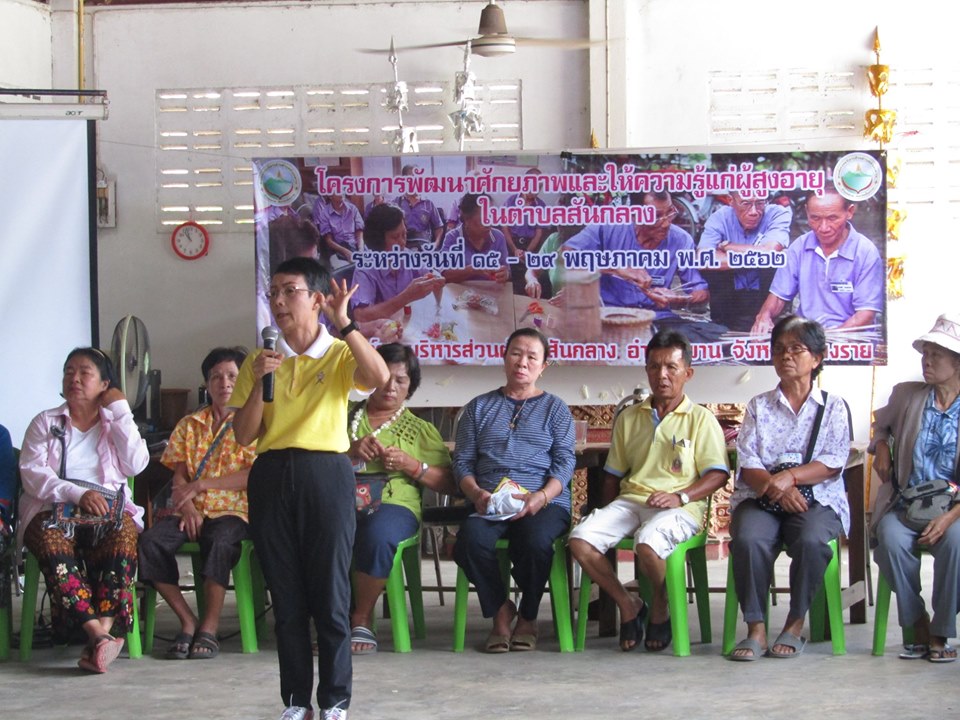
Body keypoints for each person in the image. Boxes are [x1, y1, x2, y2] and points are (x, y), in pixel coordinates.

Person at [230, 257, 389, 720]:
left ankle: (335, 700)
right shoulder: (259, 359)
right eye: (273, 293)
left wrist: (346, 323)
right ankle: (296, 701)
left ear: (317, 299)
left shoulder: (339, 353)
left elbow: (378, 377)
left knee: (330, 593)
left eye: (290, 291)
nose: (279, 301)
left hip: (326, 473)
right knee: (286, 596)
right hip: (271, 473)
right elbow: (243, 435)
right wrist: (260, 381)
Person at [569, 329, 729, 652]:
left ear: (688, 373)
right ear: (646, 371)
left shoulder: (701, 419)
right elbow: (612, 475)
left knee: (647, 541)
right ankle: (628, 604)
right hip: (631, 501)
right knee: (580, 539)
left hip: (680, 507)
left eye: (671, 367)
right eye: (654, 367)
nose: (662, 375)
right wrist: (607, 513)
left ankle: (660, 603)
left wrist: (681, 496)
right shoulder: (630, 418)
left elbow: (718, 475)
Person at [18, 347, 149, 672]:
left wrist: (121, 411)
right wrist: (77, 494)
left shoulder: (113, 423)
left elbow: (136, 464)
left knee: (124, 535)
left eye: (84, 372)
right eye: (68, 372)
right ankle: (99, 634)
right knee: (50, 541)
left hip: (107, 514)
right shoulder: (45, 422)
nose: (74, 379)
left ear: (105, 384)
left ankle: (100, 634)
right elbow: (33, 474)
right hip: (52, 511)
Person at [727, 315, 850, 660]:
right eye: (779, 349)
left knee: (812, 540)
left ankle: (795, 624)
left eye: (797, 349)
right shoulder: (759, 405)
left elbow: (834, 460)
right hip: (762, 497)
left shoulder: (833, 407)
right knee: (748, 539)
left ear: (817, 357)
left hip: (816, 499)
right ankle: (755, 628)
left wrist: (791, 477)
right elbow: (748, 460)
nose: (786, 356)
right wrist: (776, 487)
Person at [452, 328, 575, 652]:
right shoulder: (478, 407)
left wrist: (542, 496)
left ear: (543, 366)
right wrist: (476, 493)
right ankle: (501, 611)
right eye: (516, 354)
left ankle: (529, 616)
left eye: (532, 357)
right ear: (504, 357)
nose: (522, 362)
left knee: (535, 541)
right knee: (469, 541)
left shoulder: (556, 409)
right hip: (490, 501)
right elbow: (462, 462)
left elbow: (565, 463)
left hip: (544, 502)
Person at [137, 347, 256, 660]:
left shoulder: (253, 421)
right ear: (206, 383)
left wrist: (202, 485)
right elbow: (180, 476)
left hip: (235, 511)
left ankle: (209, 628)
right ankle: (187, 619)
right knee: (150, 542)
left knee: (219, 540)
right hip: (191, 510)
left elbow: (253, 475)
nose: (224, 383)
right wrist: (188, 507)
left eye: (232, 376)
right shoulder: (190, 424)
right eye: (216, 377)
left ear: (244, 380)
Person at [347, 343, 454, 654]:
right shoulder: (341, 416)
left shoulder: (419, 430)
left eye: (401, 380)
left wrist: (413, 466)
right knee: (319, 531)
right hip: (341, 499)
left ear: (411, 386)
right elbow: (313, 458)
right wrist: (349, 452)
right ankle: (329, 618)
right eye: (383, 377)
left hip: (393, 505)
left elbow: (451, 483)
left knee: (378, 533)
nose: (390, 387)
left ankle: (360, 618)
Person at [870, 313, 960, 663]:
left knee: (955, 544)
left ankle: (941, 630)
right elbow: (881, 426)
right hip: (906, 503)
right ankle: (917, 620)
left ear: (957, 362)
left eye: (937, 354)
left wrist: (949, 517)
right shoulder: (907, 395)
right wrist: (881, 446)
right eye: (926, 353)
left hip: (954, 508)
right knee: (889, 539)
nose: (927, 361)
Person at [751, 189, 884, 335]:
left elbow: (865, 314)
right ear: (807, 212)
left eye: (832, 218)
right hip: (807, 337)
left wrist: (827, 339)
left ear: (849, 212)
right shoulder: (799, 247)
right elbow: (778, 296)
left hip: (850, 339)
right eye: (815, 218)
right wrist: (764, 315)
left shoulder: (865, 252)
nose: (823, 228)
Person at [562, 191, 709, 320]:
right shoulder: (608, 227)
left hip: (658, 318)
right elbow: (566, 255)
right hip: (609, 316)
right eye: (656, 216)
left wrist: (680, 299)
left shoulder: (681, 240)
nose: (666, 224)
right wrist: (616, 268)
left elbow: (701, 292)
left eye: (670, 212)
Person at [697, 193, 792, 332]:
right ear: (731, 200)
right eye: (746, 203)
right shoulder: (720, 217)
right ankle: (721, 325)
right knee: (713, 268)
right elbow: (703, 258)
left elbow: (770, 251)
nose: (754, 212)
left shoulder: (777, 213)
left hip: (765, 295)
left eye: (760, 203)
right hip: (730, 298)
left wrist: (729, 247)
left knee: (780, 260)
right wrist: (756, 256)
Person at [350, 203, 445, 325]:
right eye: (395, 237)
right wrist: (406, 297)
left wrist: (435, 279)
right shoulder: (365, 269)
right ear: (378, 241)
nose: (402, 242)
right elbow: (361, 316)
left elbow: (429, 274)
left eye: (404, 234)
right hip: (383, 331)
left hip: (408, 324)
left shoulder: (407, 255)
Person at [439, 193, 511, 285]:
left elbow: (507, 270)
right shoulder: (452, 238)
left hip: (491, 291)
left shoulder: (498, 236)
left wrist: (505, 274)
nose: (489, 223)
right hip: (461, 292)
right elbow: (444, 275)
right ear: (467, 220)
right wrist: (473, 269)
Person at [502, 169, 549, 295]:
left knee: (526, 280)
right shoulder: (511, 201)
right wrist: (514, 249)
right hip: (511, 244)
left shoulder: (541, 206)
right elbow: (505, 228)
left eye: (539, 187)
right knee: (509, 279)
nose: (535, 190)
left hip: (530, 246)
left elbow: (539, 233)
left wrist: (527, 252)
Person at [393, 165, 444, 248]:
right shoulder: (397, 202)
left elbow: (438, 227)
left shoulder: (428, 203)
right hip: (403, 245)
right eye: (411, 178)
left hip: (424, 244)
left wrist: (435, 244)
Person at [317, 195, 365, 266]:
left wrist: (361, 249)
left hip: (356, 245)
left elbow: (359, 232)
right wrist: (346, 252)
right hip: (338, 249)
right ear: (330, 196)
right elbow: (329, 241)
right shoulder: (324, 214)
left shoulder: (352, 208)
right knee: (344, 269)